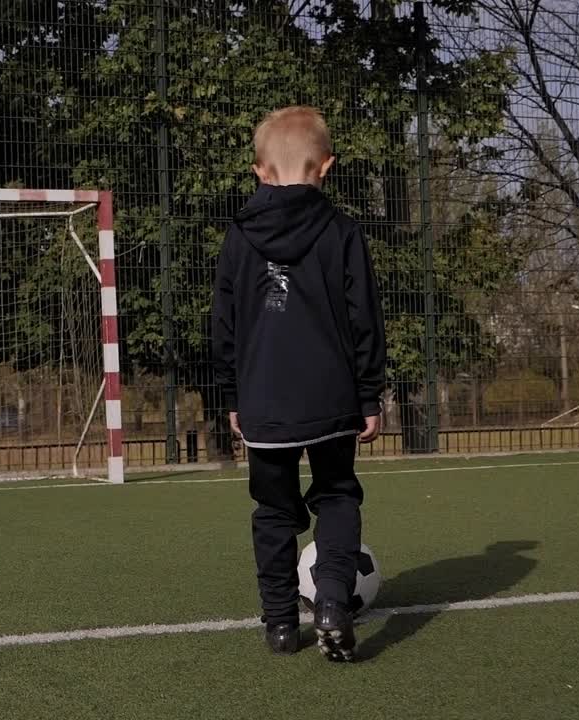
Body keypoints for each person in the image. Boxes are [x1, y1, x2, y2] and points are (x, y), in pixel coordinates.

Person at [211, 105, 386, 662]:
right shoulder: (342, 232)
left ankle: (282, 624)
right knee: (336, 495)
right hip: (332, 397)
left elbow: (224, 323)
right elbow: (365, 318)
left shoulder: (239, 237)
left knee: (273, 512)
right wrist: (368, 393)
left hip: (263, 400)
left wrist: (232, 396)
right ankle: (333, 601)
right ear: (325, 166)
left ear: (259, 171)